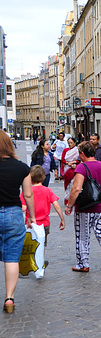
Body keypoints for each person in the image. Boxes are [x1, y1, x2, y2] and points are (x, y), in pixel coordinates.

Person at [64, 141, 101, 275]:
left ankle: (83, 264)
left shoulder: (82, 168)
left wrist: (69, 205)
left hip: (85, 208)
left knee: (82, 236)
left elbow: (76, 188)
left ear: (83, 153)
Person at [0, 132, 36, 313]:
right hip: (13, 214)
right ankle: (9, 299)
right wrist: (31, 216)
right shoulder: (22, 168)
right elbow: (28, 194)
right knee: (12, 258)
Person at [21, 165, 65, 248]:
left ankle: (33, 259)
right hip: (44, 223)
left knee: (31, 243)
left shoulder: (26, 191)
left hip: (30, 223)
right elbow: (56, 205)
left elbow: (23, 208)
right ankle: (41, 259)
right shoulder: (48, 190)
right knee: (42, 244)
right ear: (43, 177)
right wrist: (62, 219)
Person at [61, 137, 79, 205]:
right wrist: (68, 163)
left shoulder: (77, 150)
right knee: (67, 184)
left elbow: (79, 159)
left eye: (71, 143)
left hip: (75, 168)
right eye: (68, 143)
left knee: (74, 184)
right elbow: (62, 159)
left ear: (75, 143)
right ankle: (67, 199)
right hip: (67, 168)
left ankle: (74, 199)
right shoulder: (65, 150)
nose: (70, 144)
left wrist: (73, 162)